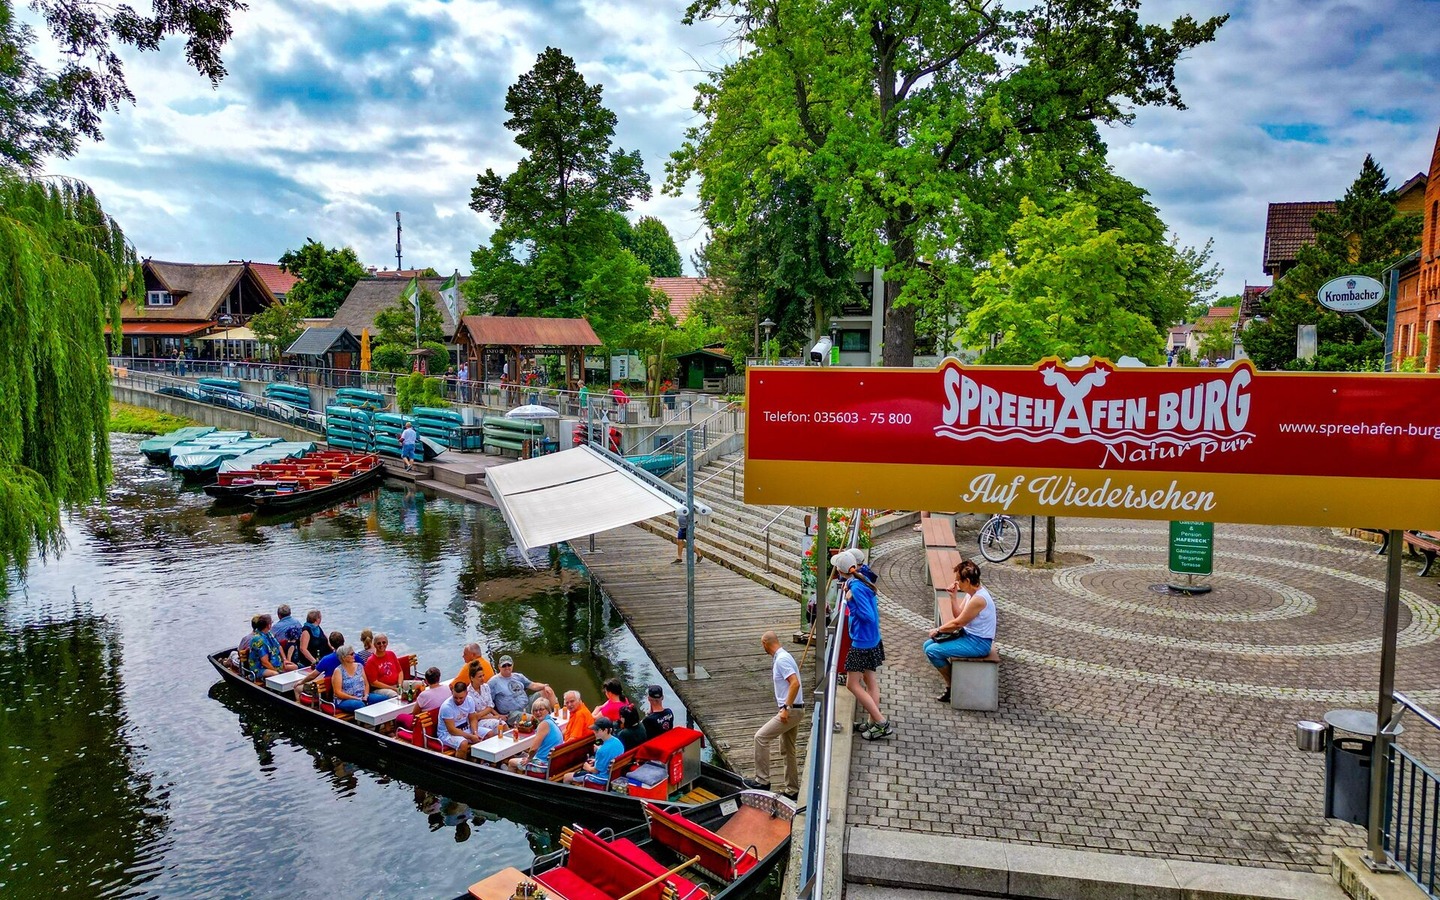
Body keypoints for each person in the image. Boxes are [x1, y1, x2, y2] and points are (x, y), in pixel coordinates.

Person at [833, 549, 892, 740]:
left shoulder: (856, 588)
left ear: (841, 571)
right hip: (872, 639)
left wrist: (850, 601)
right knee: (870, 681)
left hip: (862, 642)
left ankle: (881, 722)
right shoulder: (861, 581)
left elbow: (867, 616)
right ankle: (872, 722)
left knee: (852, 684)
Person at [925, 558, 998, 704]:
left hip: (978, 643)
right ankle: (955, 684)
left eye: (959, 580)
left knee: (932, 651)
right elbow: (959, 615)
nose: (956, 583)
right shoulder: (971, 594)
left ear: (968, 581)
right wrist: (953, 597)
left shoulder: (979, 599)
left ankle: (954, 686)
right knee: (927, 646)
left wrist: (938, 629)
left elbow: (958, 623)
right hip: (968, 636)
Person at [745, 631, 802, 799]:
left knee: (760, 737)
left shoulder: (782, 660)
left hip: (791, 711)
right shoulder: (784, 656)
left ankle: (762, 781)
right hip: (797, 709)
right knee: (787, 749)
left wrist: (786, 707)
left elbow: (795, 683)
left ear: (765, 643)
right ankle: (792, 790)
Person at [507, 697, 563, 774]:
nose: (538, 712)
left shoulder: (544, 724)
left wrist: (529, 759)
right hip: (553, 761)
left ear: (548, 710)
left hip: (544, 764)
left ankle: (511, 785)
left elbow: (534, 748)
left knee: (511, 762)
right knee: (524, 756)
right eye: (535, 710)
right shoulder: (551, 721)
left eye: (541, 709)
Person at [488, 655, 557, 717]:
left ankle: (559, 714)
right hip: (512, 713)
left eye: (509, 665)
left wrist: (545, 686)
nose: (507, 667)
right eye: (504, 665)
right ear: (499, 667)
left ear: (512, 665)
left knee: (548, 691)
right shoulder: (493, 682)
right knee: (532, 719)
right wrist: (497, 715)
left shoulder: (518, 676)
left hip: (526, 705)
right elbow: (487, 702)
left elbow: (533, 685)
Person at [563, 717, 622, 788]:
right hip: (612, 775)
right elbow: (609, 757)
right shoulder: (618, 742)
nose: (594, 732)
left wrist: (587, 767)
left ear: (606, 730)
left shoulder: (602, 750)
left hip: (601, 778)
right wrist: (596, 760)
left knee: (566, 777)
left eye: (597, 730)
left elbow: (596, 771)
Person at [437, 681, 485, 759]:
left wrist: (475, 733)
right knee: (463, 743)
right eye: (455, 697)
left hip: (465, 728)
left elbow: (473, 719)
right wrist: (470, 737)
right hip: (447, 734)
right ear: (452, 692)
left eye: (461, 698)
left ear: (466, 693)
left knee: (489, 734)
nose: (458, 700)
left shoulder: (469, 700)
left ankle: (483, 761)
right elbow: (452, 730)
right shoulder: (447, 707)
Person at [330, 645, 379, 712]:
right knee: (360, 705)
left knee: (383, 699)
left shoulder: (359, 666)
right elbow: (337, 693)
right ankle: (367, 721)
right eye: (351, 654)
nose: (354, 655)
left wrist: (366, 695)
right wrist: (354, 698)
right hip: (344, 700)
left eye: (354, 653)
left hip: (361, 696)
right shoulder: (338, 671)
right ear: (344, 657)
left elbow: (366, 684)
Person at [247, 614, 296, 680]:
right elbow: (264, 662)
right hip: (260, 668)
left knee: (294, 667)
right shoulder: (258, 640)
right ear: (268, 625)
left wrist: (284, 659)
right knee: (275, 674)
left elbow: (278, 646)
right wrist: (277, 671)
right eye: (271, 623)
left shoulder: (269, 633)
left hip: (276, 663)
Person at [465, 663, 503, 739]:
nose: (482, 678)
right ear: (472, 678)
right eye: (479, 677)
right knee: (500, 725)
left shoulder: (485, 687)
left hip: (489, 717)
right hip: (478, 722)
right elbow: (474, 717)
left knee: (503, 724)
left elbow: (490, 706)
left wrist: (498, 715)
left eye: (483, 676)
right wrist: (493, 717)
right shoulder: (468, 694)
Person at [363, 632, 403, 700]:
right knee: (395, 695)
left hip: (397, 685)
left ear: (387, 643)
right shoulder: (371, 661)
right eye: (379, 643)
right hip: (381, 689)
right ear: (374, 645)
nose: (381, 645)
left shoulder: (391, 654)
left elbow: (400, 672)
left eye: (384, 642)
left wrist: (399, 686)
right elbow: (374, 683)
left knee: (420, 685)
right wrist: (394, 689)